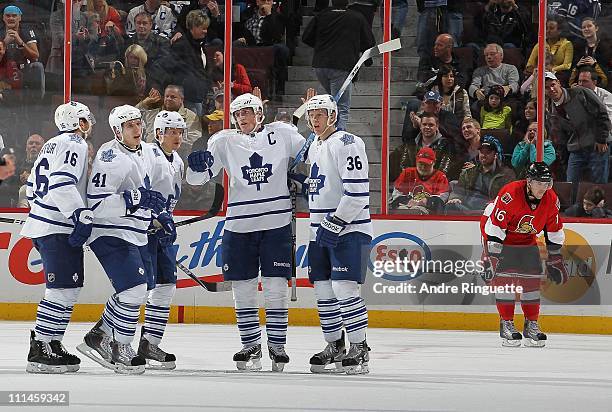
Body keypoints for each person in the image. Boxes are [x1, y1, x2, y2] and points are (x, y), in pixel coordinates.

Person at [186, 93, 305, 372]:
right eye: (238, 114)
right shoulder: (223, 140)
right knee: (243, 288)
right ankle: (250, 345)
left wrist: (310, 126)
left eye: (248, 112)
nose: (243, 118)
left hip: (275, 225)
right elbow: (199, 179)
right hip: (239, 226)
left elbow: (312, 152)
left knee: (276, 287)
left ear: (260, 113)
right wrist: (195, 167)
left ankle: (277, 347)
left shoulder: (283, 133)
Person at [76, 105, 167, 375]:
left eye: (139, 123)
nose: (137, 129)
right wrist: (135, 200)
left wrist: (160, 216)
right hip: (109, 231)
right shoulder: (110, 156)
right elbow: (97, 204)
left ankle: (98, 335)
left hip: (134, 231)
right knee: (135, 291)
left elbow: (151, 193)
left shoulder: (144, 151)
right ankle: (121, 347)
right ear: (117, 131)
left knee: (138, 289)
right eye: (130, 126)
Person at [20, 102, 96, 373]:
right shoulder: (74, 143)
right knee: (61, 290)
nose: (89, 126)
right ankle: (40, 347)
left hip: (45, 225)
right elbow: (62, 183)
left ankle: (52, 342)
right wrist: (80, 215)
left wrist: (40, 210)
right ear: (81, 122)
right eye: (87, 120)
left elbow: (30, 188)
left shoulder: (50, 144)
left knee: (69, 288)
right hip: (56, 227)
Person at [302, 94, 372, 374]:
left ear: (333, 116)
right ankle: (335, 345)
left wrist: (335, 223)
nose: (314, 120)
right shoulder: (317, 145)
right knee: (323, 291)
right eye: (311, 116)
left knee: (345, 289)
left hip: (349, 228)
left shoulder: (348, 143)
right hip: (318, 229)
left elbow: (357, 194)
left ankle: (359, 347)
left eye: (320, 115)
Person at [481, 162, 568, 347]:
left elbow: (553, 232)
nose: (544, 188)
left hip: (526, 238)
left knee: (531, 281)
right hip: (498, 235)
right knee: (505, 279)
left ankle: (531, 325)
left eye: (548, 183)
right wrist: (492, 258)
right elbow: (495, 229)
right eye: (540, 183)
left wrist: (556, 260)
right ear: (529, 181)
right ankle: (506, 323)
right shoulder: (510, 194)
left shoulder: (551, 199)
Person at [138, 110, 187, 370]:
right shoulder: (148, 153)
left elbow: (170, 198)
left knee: (166, 284)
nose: (177, 136)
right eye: (172, 131)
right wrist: (153, 218)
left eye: (180, 131)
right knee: (137, 287)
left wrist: (166, 220)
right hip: (143, 231)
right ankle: (114, 339)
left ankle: (149, 342)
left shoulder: (177, 160)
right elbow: (140, 189)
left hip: (161, 232)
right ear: (159, 133)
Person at [302, 0, 375, 129]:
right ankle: (338, 138)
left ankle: (329, 132)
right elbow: (369, 41)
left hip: (321, 65)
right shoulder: (356, 16)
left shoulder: (322, 15)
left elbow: (306, 37)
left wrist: (321, 47)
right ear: (348, 2)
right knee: (341, 107)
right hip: (342, 66)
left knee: (333, 104)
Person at [545, 71, 611, 184]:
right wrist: (563, 157)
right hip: (576, 150)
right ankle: (574, 202)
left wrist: (602, 139)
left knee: (598, 185)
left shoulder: (580, 92)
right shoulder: (552, 111)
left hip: (596, 145)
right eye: (546, 87)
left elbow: (602, 113)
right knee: (571, 185)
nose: (551, 89)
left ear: (559, 83)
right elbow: (559, 137)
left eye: (552, 85)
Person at [446, 135, 515, 214]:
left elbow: (509, 196)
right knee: (450, 206)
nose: (484, 155)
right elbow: (459, 189)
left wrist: (495, 203)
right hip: (466, 208)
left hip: (489, 211)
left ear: (495, 155)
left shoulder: (506, 174)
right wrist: (455, 198)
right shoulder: (469, 172)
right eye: (482, 152)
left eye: (488, 152)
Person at [390, 147, 449, 214]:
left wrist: (426, 201)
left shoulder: (440, 177)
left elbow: (442, 200)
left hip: (427, 211)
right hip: (405, 207)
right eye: (421, 164)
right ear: (416, 161)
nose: (423, 167)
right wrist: (407, 200)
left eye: (427, 165)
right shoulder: (407, 173)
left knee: (416, 211)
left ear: (434, 163)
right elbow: (396, 195)